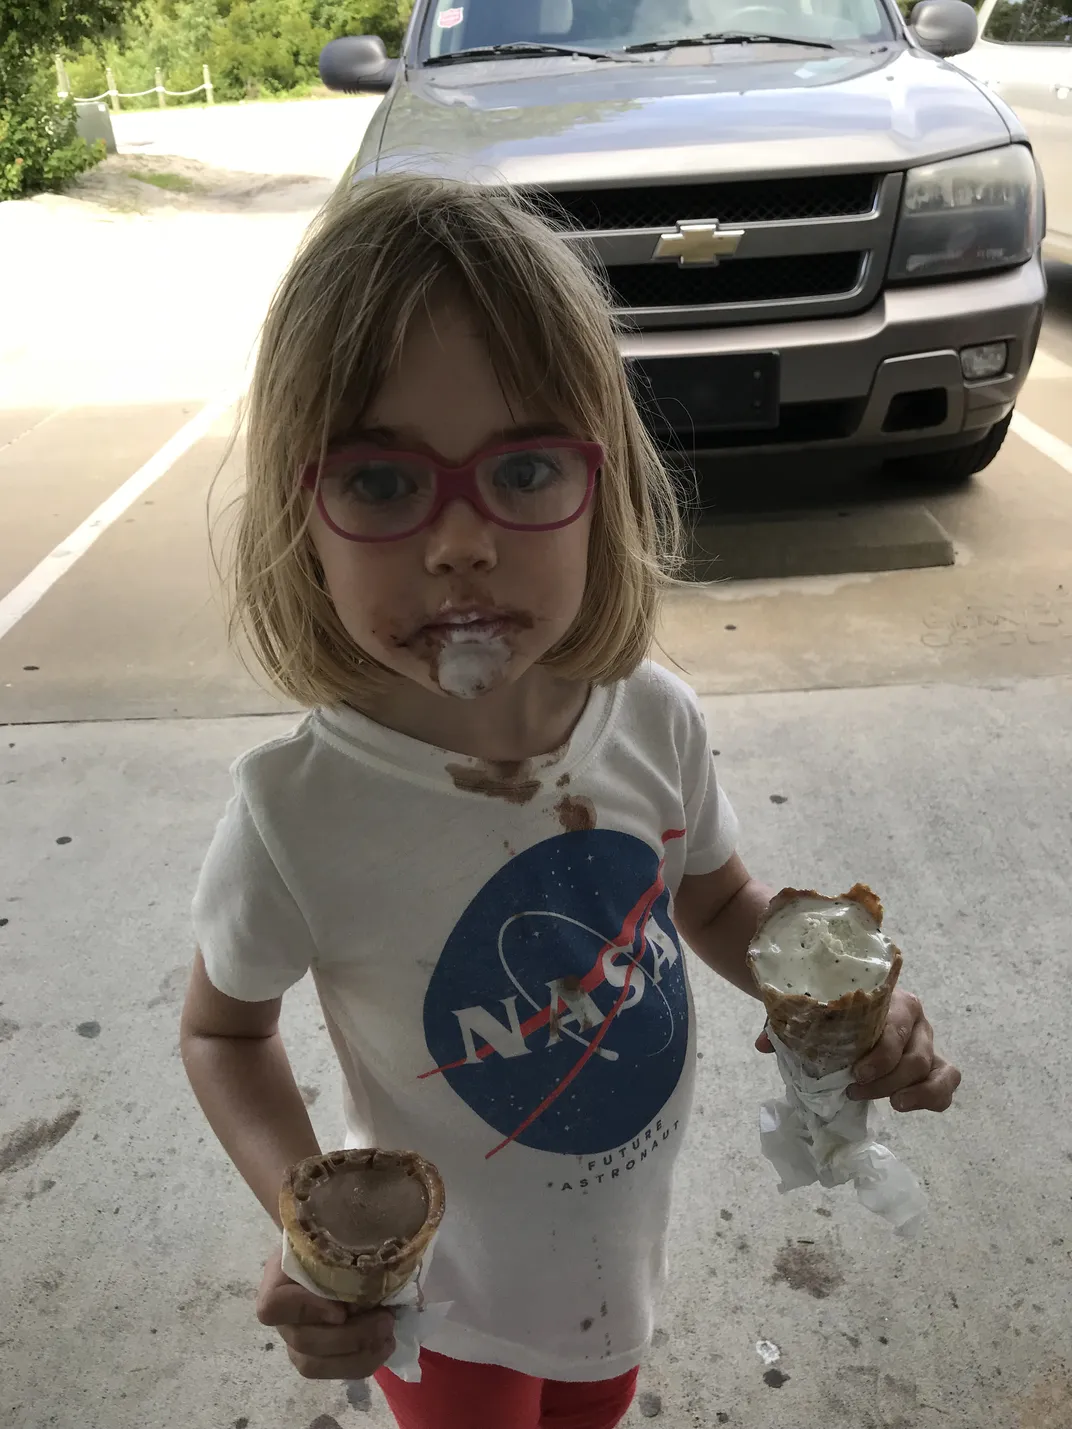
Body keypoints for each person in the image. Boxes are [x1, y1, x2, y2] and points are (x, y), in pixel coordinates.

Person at [180, 174, 961, 1429]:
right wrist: (303, 1211)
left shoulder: (651, 715)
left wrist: (831, 1009)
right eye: (382, 483)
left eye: (527, 464)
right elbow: (222, 1032)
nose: (459, 542)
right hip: (447, 1301)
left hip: (615, 1265)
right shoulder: (298, 814)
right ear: (299, 518)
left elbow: (709, 896)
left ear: (603, 486)